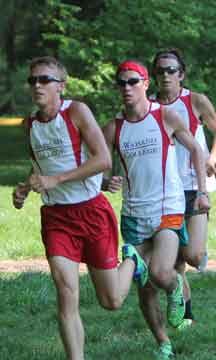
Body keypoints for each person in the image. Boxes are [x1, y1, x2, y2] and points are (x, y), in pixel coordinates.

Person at [12, 56, 148, 360]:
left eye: (44, 79)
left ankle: (133, 261)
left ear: (62, 85)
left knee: (111, 300)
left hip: (91, 211)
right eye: (33, 80)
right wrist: (24, 188)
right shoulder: (29, 124)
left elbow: (103, 161)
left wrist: (55, 179)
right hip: (57, 217)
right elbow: (40, 170)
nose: (37, 85)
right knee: (66, 293)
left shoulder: (76, 112)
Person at [102, 60, 210, 359]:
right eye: (121, 83)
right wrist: (103, 180)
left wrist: (201, 192)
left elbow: (197, 150)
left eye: (133, 81)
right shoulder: (114, 127)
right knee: (145, 287)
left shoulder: (164, 116)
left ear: (145, 84)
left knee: (162, 271)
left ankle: (176, 290)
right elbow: (94, 159)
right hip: (134, 214)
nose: (127, 87)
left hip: (168, 208)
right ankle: (163, 342)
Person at [151, 49, 216, 326]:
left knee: (192, 255)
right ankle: (186, 316)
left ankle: (201, 253)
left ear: (182, 74)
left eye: (171, 70)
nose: (166, 75)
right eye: (160, 71)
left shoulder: (195, 101)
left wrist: (212, 157)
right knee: (175, 260)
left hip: (193, 184)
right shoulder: (150, 105)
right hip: (165, 191)